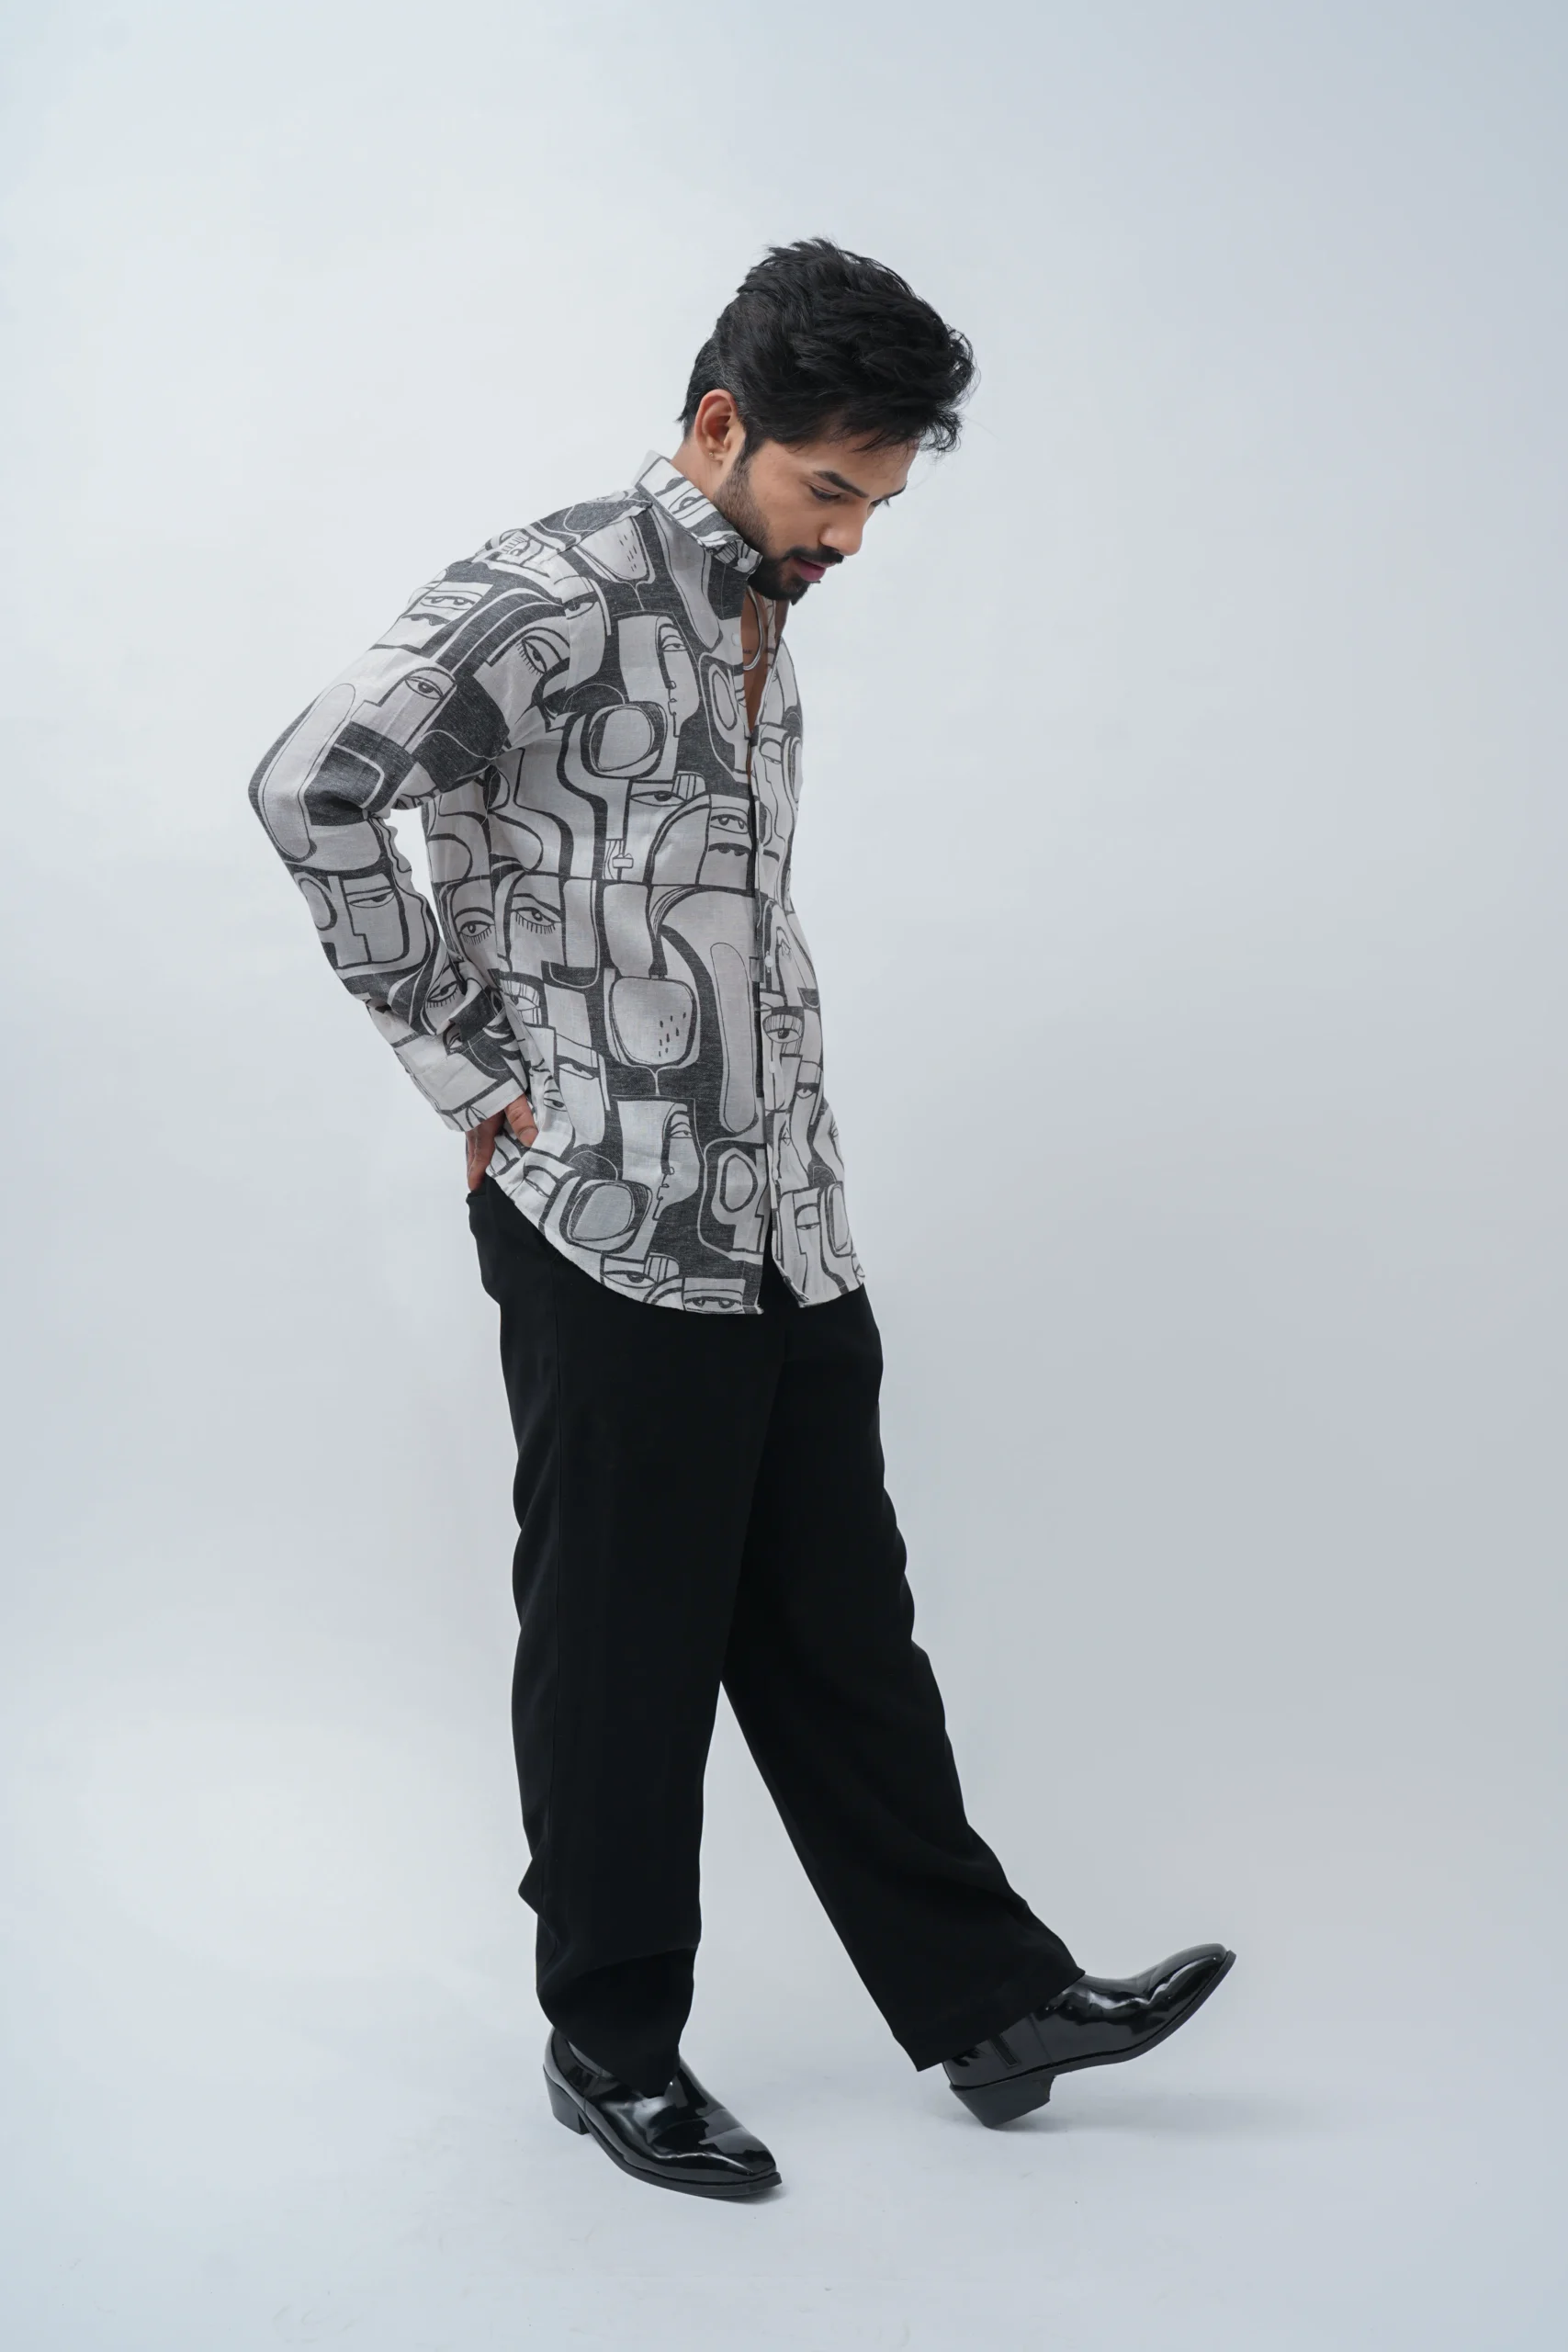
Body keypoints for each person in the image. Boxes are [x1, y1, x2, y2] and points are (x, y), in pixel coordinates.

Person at [250, 238, 1234, 2200]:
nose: (851, 535)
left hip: (781, 1207)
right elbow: (309, 786)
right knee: (622, 1648)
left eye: (878, 502)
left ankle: (988, 2003)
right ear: (719, 425)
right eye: (829, 489)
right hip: (604, 1209)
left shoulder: (758, 603)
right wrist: (468, 1060)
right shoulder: (547, 593)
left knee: (840, 1623)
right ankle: (610, 2043)